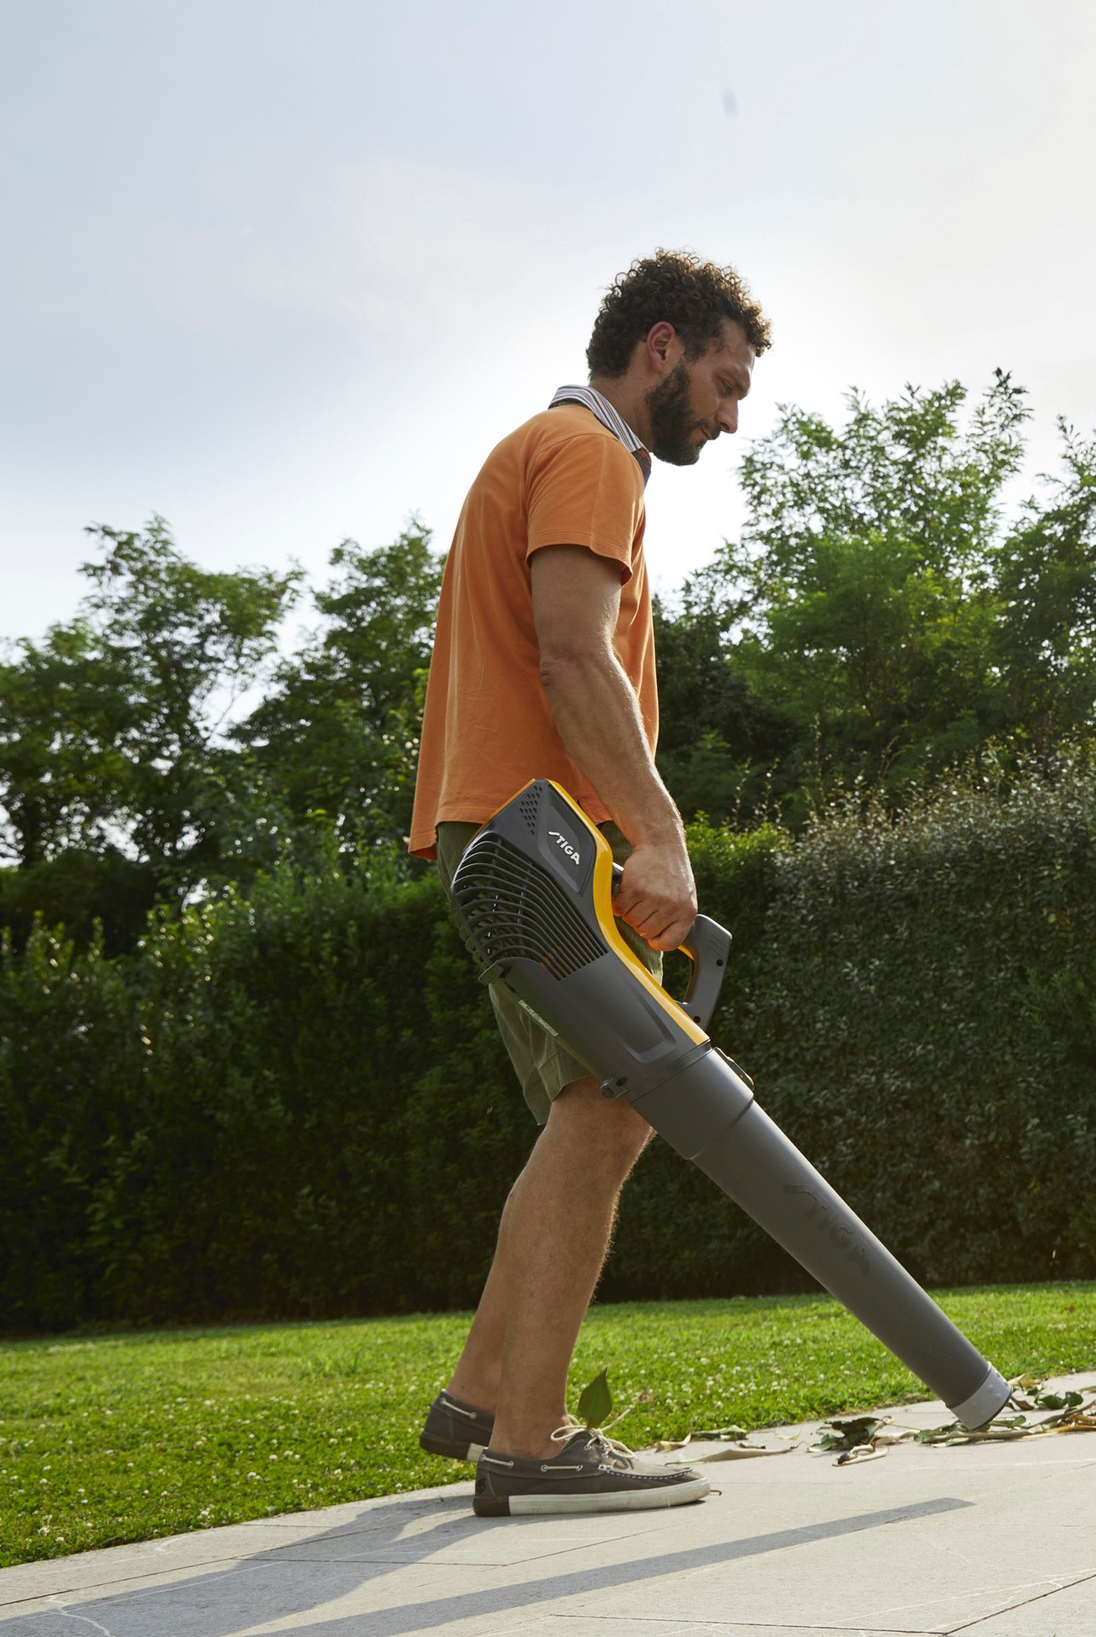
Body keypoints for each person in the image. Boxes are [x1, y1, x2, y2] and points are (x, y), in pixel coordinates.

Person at [404, 250, 770, 1516]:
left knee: (590, 1107)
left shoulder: (552, 451)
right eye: (724, 382)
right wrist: (656, 833)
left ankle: (479, 1391)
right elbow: (571, 654)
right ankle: (532, 1438)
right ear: (659, 349)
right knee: (618, 1104)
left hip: (515, 822)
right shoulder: (591, 452)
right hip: (544, 830)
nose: (732, 415)